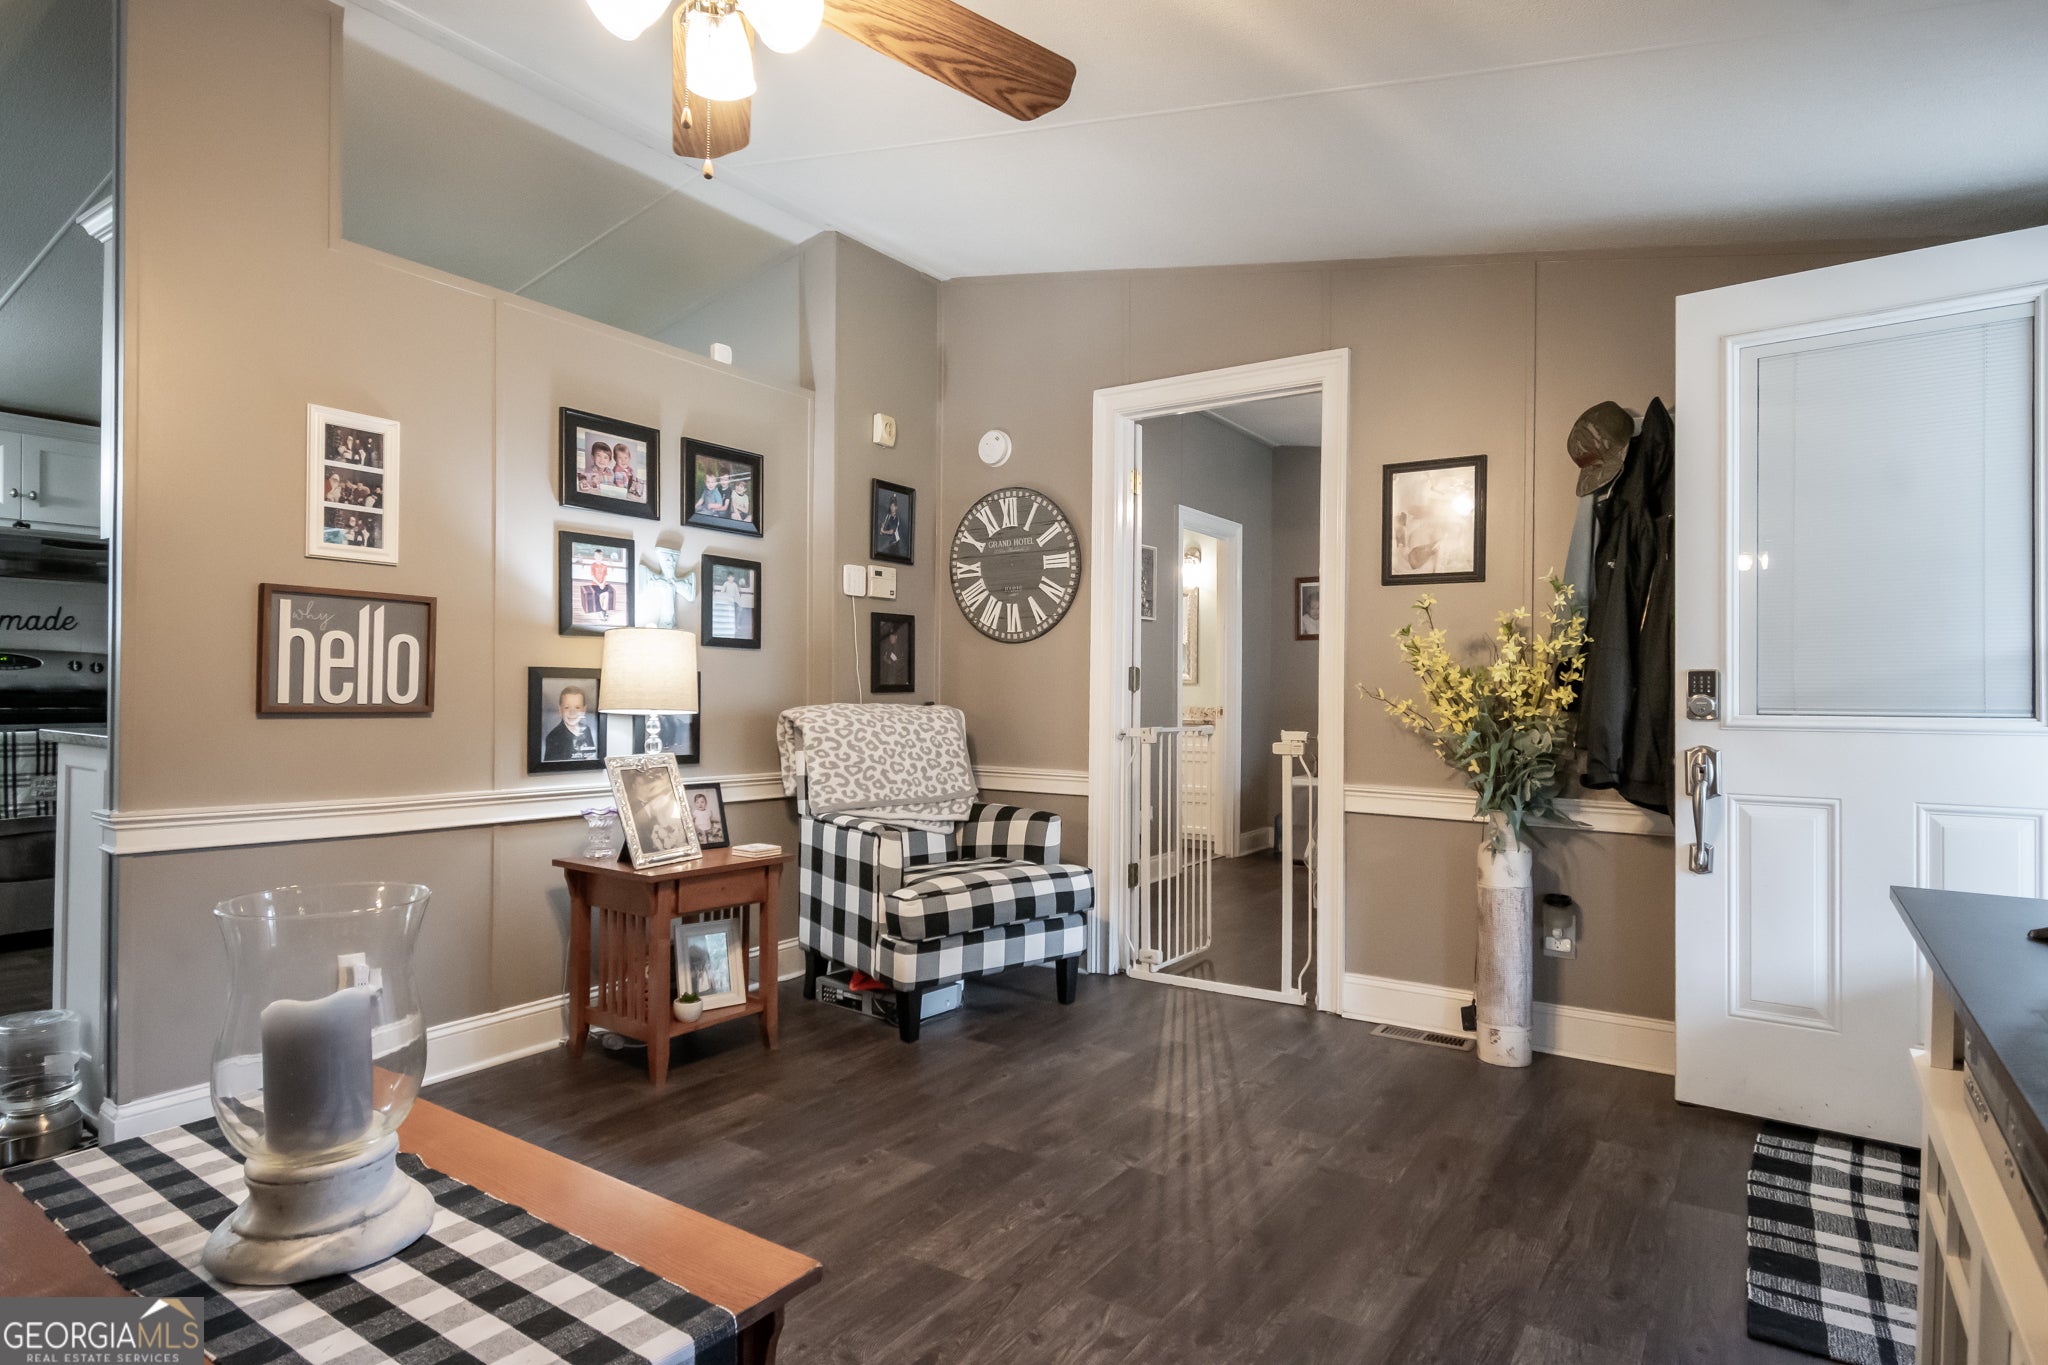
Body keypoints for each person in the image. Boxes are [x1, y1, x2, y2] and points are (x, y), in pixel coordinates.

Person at [542, 685, 598, 762]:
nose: (572, 712)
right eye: (567, 707)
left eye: (577, 707)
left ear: (584, 710)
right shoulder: (553, 737)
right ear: (560, 710)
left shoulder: (586, 730)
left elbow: (591, 757)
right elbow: (550, 766)